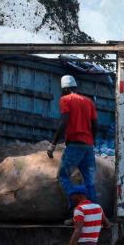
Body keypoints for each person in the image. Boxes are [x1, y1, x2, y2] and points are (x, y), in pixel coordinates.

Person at [48, 75, 98, 222]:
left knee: (63, 176)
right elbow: (95, 125)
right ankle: (94, 215)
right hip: (88, 147)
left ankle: (75, 210)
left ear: (65, 89)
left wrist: (53, 144)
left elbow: (64, 123)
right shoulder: (89, 102)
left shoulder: (66, 100)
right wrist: (91, 141)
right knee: (89, 181)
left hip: (75, 145)